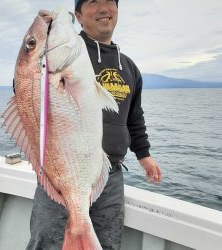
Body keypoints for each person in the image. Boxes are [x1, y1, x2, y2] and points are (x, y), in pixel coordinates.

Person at [27, 0, 162, 249]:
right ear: (78, 16)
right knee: (46, 243)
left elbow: (134, 116)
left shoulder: (129, 67)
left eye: (110, 2)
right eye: (93, 2)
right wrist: (42, 37)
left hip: (110, 177)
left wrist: (144, 155)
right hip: (61, 175)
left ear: (117, 12)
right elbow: (27, 89)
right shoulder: (62, 51)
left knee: (108, 244)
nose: (103, 8)